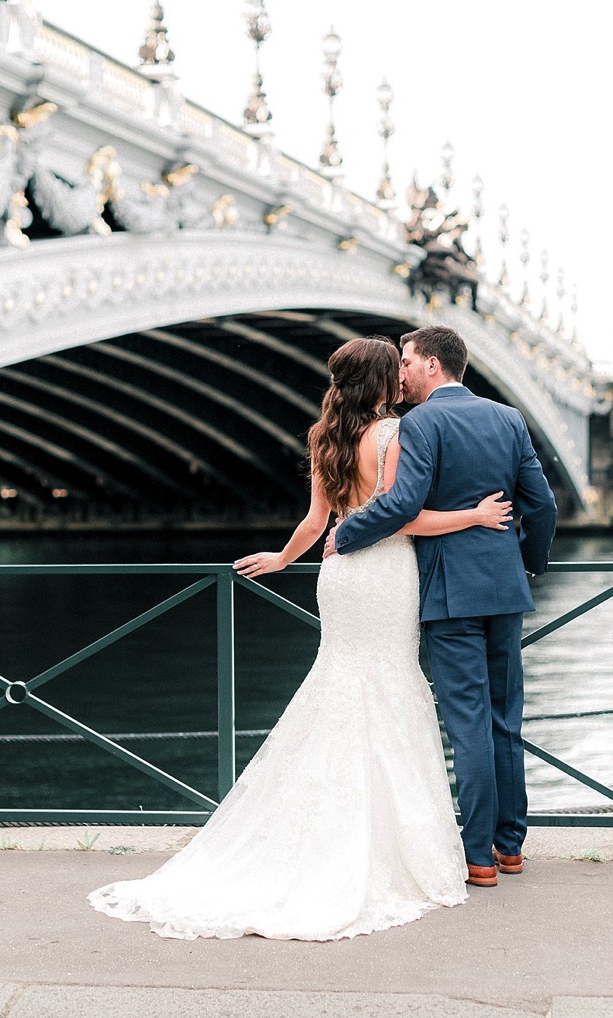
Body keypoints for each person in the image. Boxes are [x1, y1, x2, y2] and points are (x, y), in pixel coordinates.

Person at [87, 336, 511, 940]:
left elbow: (318, 522)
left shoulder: (325, 437)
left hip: (338, 577)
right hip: (387, 573)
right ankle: (390, 844)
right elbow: (401, 516)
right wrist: (472, 517)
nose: (403, 378)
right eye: (397, 370)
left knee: (339, 686)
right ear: (385, 380)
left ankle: (315, 834)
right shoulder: (394, 435)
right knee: (391, 689)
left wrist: (284, 559)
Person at [330, 325, 557, 888]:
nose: (400, 371)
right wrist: (529, 561)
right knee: (506, 718)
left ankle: (476, 856)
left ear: (432, 365)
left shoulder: (421, 423)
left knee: (469, 723)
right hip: (504, 590)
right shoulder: (507, 419)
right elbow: (542, 505)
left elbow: (403, 503)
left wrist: (349, 534)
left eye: (407, 361)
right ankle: (510, 847)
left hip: (450, 594)